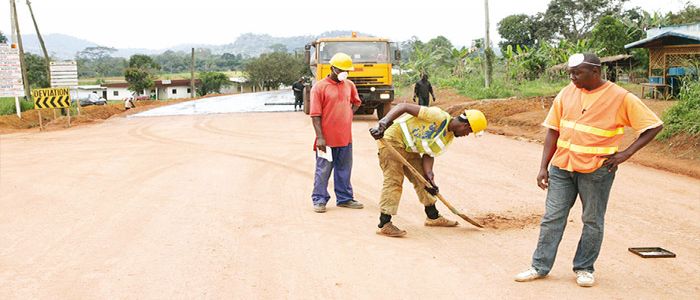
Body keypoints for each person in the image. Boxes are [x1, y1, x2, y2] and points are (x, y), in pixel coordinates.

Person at [514, 53, 663, 287]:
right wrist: (543, 166)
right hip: (562, 167)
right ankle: (539, 266)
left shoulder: (621, 97)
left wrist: (626, 154)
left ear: (595, 72)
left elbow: (654, 125)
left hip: (597, 170)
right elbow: (553, 130)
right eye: (570, 73)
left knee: (592, 220)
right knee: (552, 218)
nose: (572, 77)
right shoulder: (566, 92)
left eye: (577, 73)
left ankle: (584, 268)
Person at [368, 103, 487, 237]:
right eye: (469, 132)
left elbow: (428, 155)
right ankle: (384, 224)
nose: (466, 135)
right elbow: (403, 106)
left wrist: (431, 179)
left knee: (424, 181)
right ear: (466, 126)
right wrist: (383, 123)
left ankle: (433, 216)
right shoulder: (438, 116)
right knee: (394, 181)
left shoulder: (448, 138)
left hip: (408, 149)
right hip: (392, 140)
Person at [309, 53, 364, 213]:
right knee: (323, 170)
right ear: (332, 68)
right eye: (342, 69)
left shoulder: (349, 85)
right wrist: (320, 137)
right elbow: (315, 115)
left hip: (345, 138)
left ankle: (345, 199)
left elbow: (356, 102)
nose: (345, 73)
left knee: (344, 169)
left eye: (348, 70)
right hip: (326, 139)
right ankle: (319, 200)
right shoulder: (319, 87)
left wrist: (348, 114)